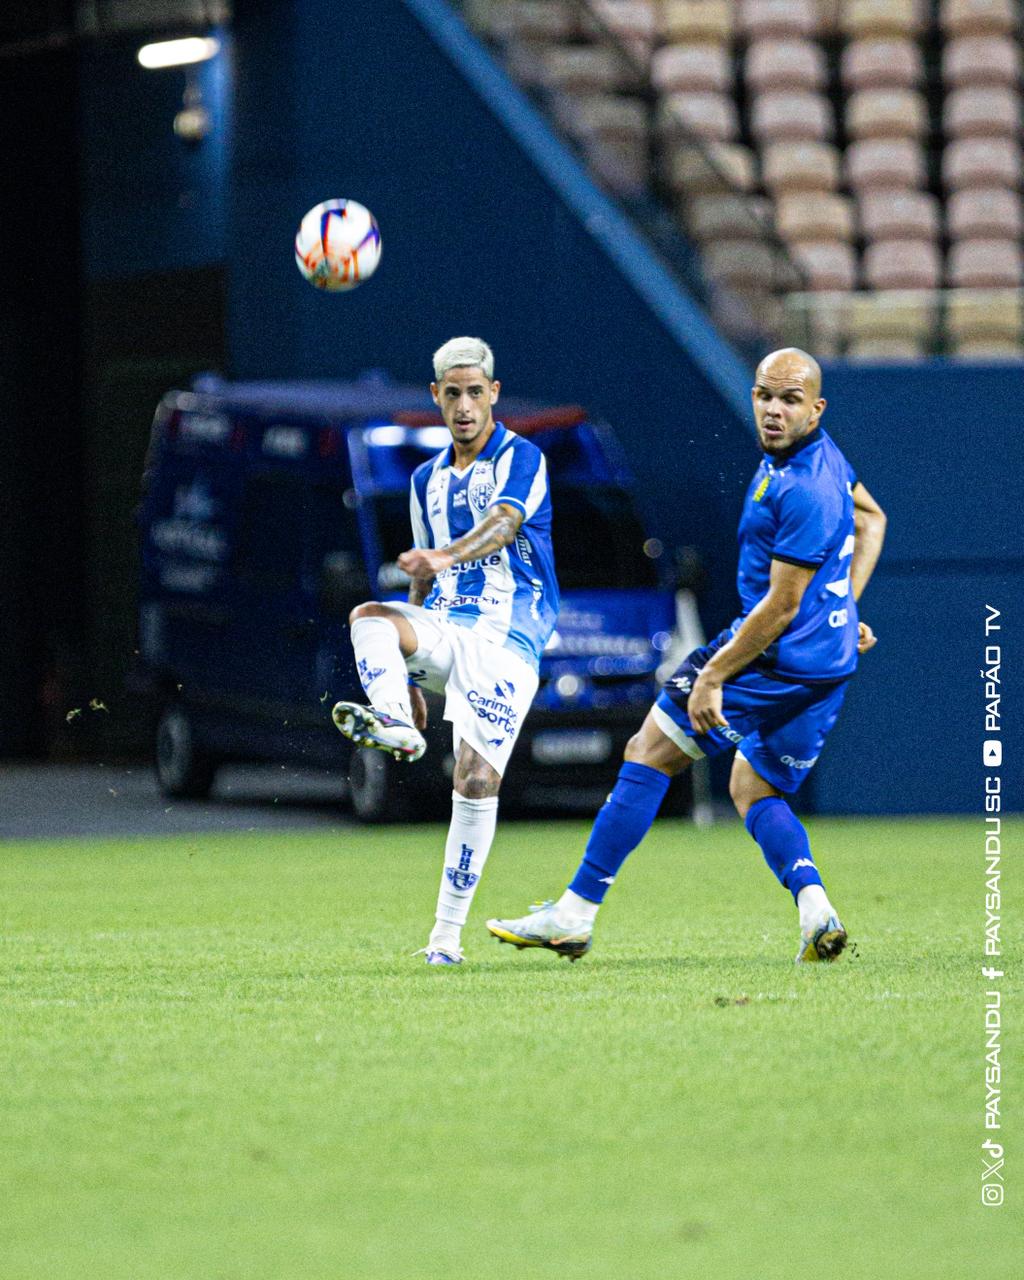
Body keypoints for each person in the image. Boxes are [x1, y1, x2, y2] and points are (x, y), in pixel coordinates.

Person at [487, 348, 886, 965]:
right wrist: (846, 607)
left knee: (648, 751)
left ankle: (573, 914)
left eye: (790, 400)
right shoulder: (822, 459)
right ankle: (816, 910)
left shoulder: (804, 488)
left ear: (817, 408)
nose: (773, 410)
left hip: (771, 657)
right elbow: (872, 517)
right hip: (827, 661)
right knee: (753, 786)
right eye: (764, 395)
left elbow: (780, 608)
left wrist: (714, 677)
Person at [332, 337, 559, 965]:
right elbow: (424, 579)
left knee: (476, 780)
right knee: (370, 616)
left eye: (474, 393)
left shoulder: (524, 458)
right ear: (436, 397)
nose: (464, 406)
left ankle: (444, 939)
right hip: (447, 628)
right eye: (452, 394)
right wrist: (405, 673)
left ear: (494, 394)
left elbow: (504, 525)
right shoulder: (424, 480)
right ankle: (397, 725)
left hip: (509, 640)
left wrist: (446, 554)